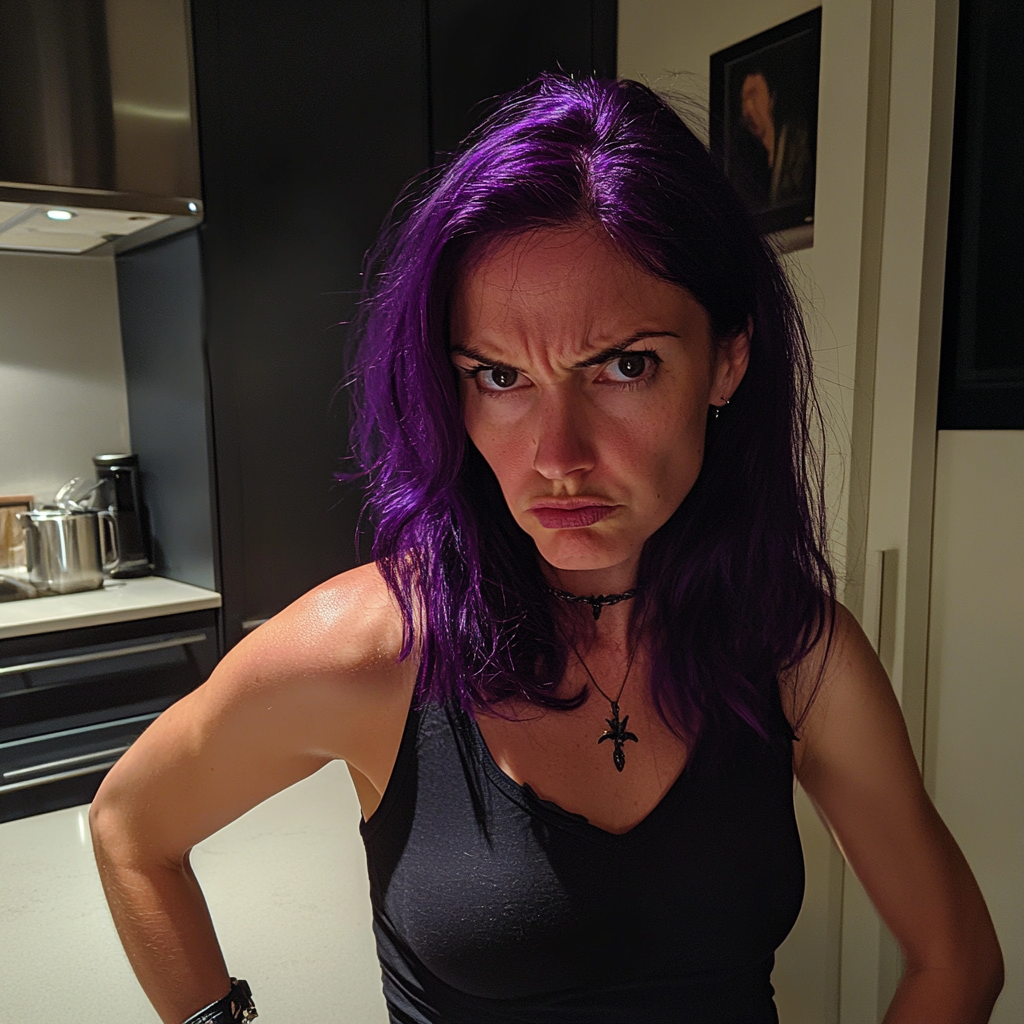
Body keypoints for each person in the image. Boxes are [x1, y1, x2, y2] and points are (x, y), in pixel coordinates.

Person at [89, 76, 1003, 1024]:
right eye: (500, 376)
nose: (557, 458)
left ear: (727, 361)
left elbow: (956, 960)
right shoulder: (373, 645)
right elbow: (130, 828)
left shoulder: (792, 648)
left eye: (624, 365)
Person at [735, 67, 813, 211]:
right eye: (744, 100)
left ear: (772, 98)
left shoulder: (798, 141)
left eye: (754, 95)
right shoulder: (750, 160)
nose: (748, 109)